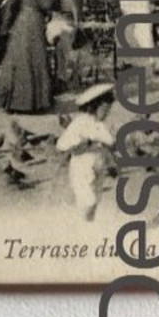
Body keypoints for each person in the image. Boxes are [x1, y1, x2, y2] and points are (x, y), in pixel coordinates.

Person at [56, 83, 118, 220]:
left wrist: (111, 164)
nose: (106, 113)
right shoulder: (79, 123)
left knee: (94, 201)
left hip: (98, 167)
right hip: (82, 168)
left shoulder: (100, 125)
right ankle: (81, 229)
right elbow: (61, 145)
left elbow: (106, 146)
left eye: (108, 110)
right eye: (104, 109)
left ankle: (85, 227)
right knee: (88, 201)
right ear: (94, 106)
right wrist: (83, 143)